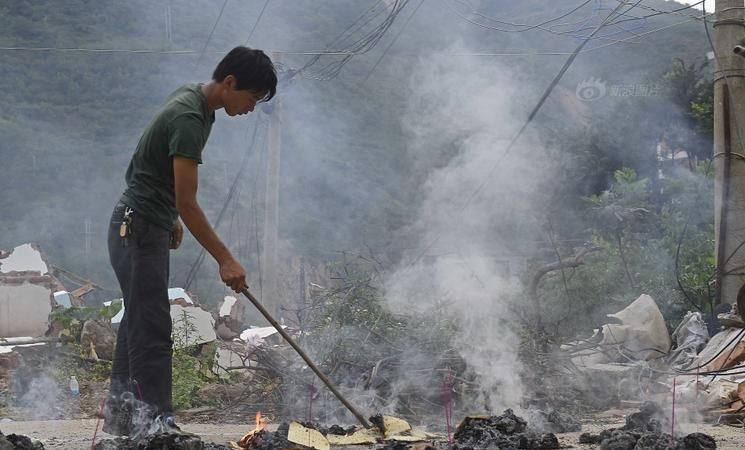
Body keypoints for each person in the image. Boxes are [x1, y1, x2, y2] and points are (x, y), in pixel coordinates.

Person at [103, 46, 277, 436]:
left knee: (138, 320)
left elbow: (155, 167)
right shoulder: (189, 116)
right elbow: (189, 199)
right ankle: (157, 427)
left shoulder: (195, 101)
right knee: (152, 329)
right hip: (139, 228)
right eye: (251, 98)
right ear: (230, 83)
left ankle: (122, 423)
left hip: (143, 222)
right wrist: (225, 259)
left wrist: (171, 215)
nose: (250, 108)